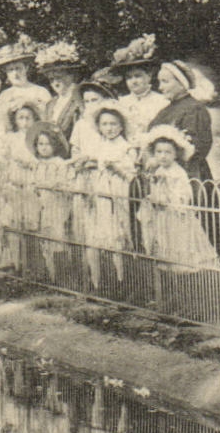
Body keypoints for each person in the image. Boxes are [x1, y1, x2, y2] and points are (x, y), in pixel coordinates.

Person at [150, 60, 220, 262]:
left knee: (198, 222)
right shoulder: (167, 110)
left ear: (181, 83)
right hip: (166, 174)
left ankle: (211, 268)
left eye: (165, 81)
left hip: (189, 175)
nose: (160, 87)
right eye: (159, 82)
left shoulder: (194, 109)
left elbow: (197, 147)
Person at [72, 104, 137, 288]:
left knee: (116, 236)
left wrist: (113, 167)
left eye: (113, 124)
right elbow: (90, 163)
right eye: (105, 124)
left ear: (121, 126)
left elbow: (130, 173)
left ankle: (121, 281)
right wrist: (88, 163)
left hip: (115, 196)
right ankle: (97, 282)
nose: (109, 128)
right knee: (94, 236)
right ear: (99, 127)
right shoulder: (98, 146)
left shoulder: (126, 148)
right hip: (97, 195)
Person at [138, 125, 219, 270]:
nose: (163, 156)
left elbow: (183, 195)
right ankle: (167, 269)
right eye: (159, 152)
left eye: (168, 152)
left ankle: (181, 270)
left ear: (176, 154)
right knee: (164, 239)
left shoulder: (177, 172)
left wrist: (166, 199)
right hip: (162, 214)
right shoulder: (159, 170)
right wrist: (154, 196)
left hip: (175, 215)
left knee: (178, 241)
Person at [23, 121, 74, 280]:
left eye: (48, 144)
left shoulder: (59, 163)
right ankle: (45, 270)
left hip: (55, 204)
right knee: (42, 235)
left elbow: (65, 183)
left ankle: (60, 273)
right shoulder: (36, 163)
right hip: (39, 203)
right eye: (41, 144)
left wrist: (55, 186)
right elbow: (31, 180)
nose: (44, 148)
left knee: (56, 235)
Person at [105, 37, 168, 141]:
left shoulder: (161, 101)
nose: (133, 81)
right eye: (129, 78)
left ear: (149, 76)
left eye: (138, 76)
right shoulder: (121, 103)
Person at [0, 40, 52, 137]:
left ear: (26, 68)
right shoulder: (4, 96)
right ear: (6, 73)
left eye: (18, 68)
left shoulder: (41, 92)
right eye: (11, 70)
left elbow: (49, 120)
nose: (15, 74)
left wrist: (31, 104)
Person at [36, 44, 85, 139]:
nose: (55, 82)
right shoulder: (50, 104)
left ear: (71, 75)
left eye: (59, 77)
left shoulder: (80, 99)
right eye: (51, 79)